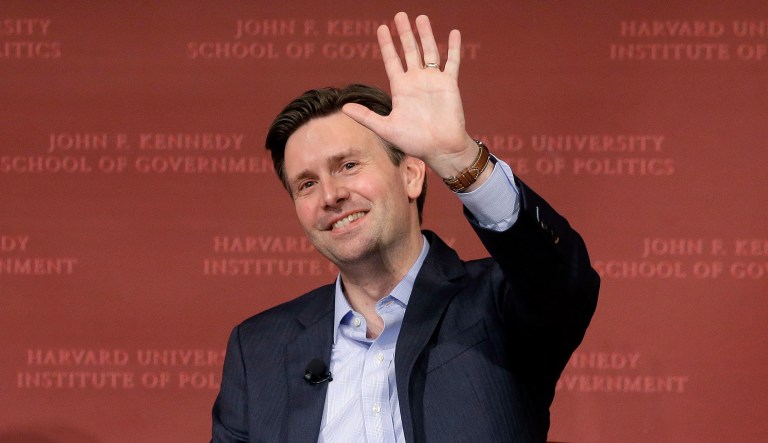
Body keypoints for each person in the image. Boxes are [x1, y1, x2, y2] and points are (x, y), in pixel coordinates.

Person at [212, 12, 599, 443]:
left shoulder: (498, 302)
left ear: (412, 175)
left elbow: (564, 281)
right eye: (306, 184)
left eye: (349, 165)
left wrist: (458, 158)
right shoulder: (258, 348)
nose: (330, 195)